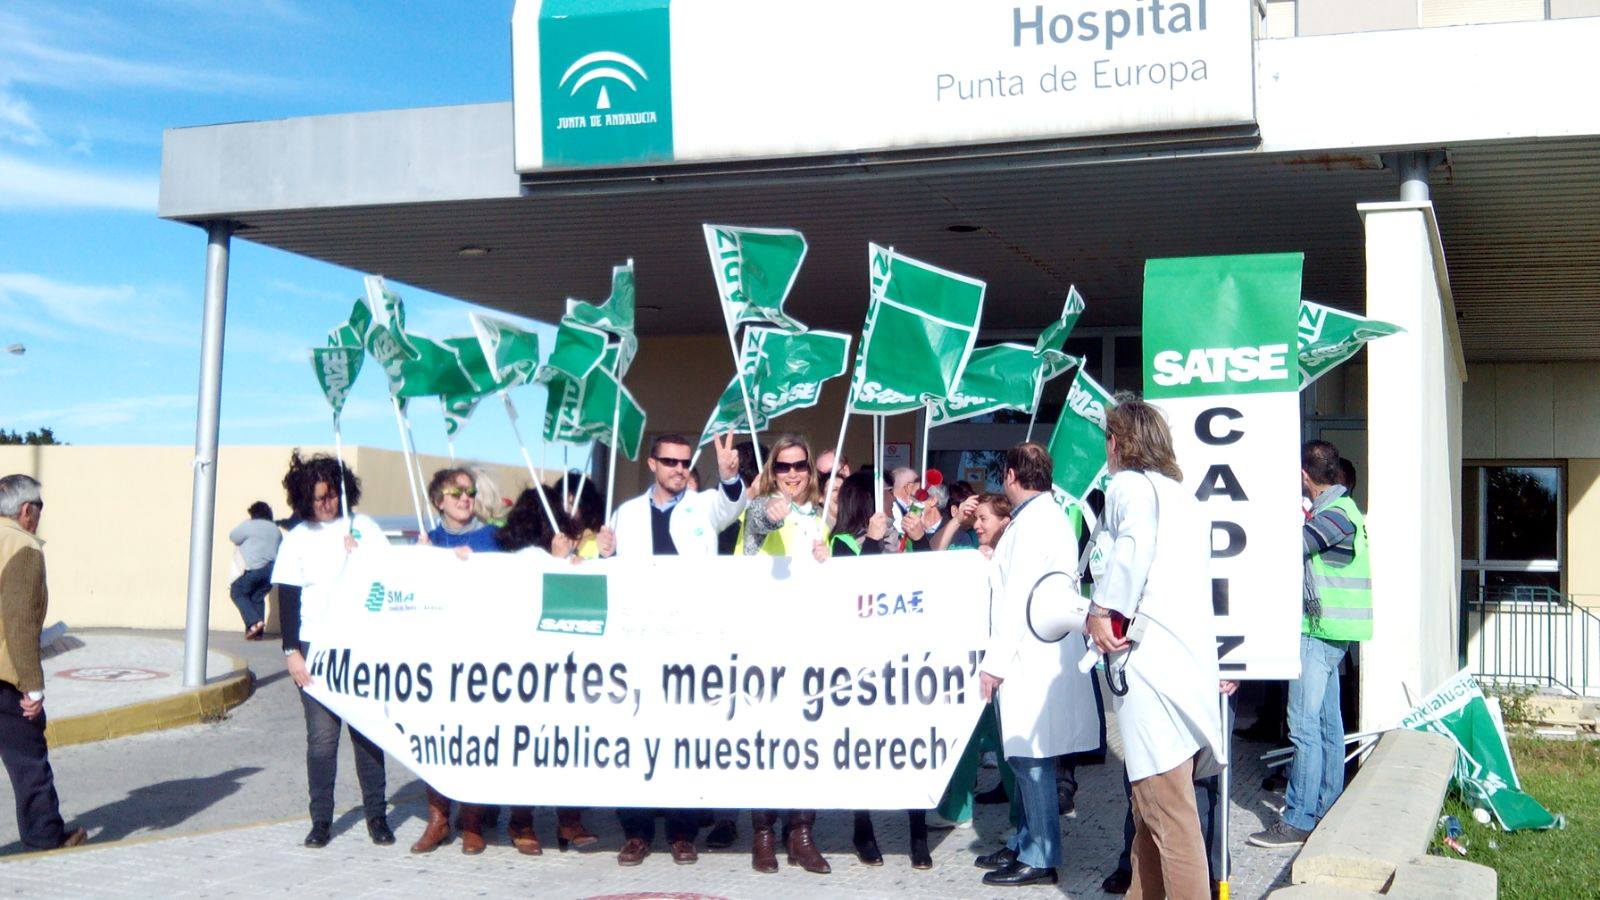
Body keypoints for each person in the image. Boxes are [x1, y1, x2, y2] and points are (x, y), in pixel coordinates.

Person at [1086, 397, 1226, 900]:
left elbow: (1131, 552)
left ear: (1118, 442)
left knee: (1169, 815)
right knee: (1150, 811)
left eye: (1107, 437)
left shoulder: (1127, 486)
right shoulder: (1181, 495)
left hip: (1151, 668)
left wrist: (1101, 610)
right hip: (1187, 665)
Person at [596, 432, 744, 866]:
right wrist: (605, 556)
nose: (680, 469)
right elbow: (613, 579)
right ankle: (637, 832)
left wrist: (729, 476)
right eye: (671, 462)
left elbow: (731, 505)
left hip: (690, 641)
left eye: (685, 462)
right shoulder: (625, 514)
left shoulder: (703, 504)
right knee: (636, 735)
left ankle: (681, 832)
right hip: (640, 642)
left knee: (684, 737)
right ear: (652, 465)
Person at [974, 444, 1099, 888]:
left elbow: (1014, 601)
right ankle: (1025, 841)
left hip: (1030, 655)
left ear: (1010, 475)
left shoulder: (1032, 525)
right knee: (1029, 757)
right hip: (1040, 653)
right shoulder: (1045, 517)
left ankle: (1042, 854)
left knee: (1032, 761)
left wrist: (995, 663)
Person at [1249, 441, 1371, 849]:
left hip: (1320, 630)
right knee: (1326, 724)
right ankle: (1328, 807)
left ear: (1305, 475)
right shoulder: (1342, 508)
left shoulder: (1334, 514)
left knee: (1303, 726)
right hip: (1331, 629)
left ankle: (1299, 818)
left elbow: (1289, 548)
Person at [270, 451, 393, 849]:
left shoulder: (364, 528)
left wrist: (363, 555)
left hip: (360, 644)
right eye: (320, 497)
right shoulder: (298, 539)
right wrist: (292, 651)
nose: (328, 503)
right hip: (314, 646)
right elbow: (288, 597)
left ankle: (377, 816)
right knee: (322, 740)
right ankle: (321, 820)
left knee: (367, 735)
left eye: (334, 494)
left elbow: (393, 577)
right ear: (305, 498)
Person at [826, 472, 934, 869]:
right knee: (865, 749)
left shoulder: (900, 539)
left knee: (912, 748)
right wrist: (871, 541)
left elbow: (930, 583)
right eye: (886, 492)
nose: (892, 498)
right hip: (861, 665)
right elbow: (853, 589)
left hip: (904, 662)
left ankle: (917, 834)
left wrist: (920, 539)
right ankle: (863, 829)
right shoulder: (842, 543)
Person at [734, 433, 830, 875]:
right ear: (772, 470)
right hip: (764, 642)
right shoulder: (761, 505)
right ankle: (763, 835)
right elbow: (760, 523)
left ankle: (802, 834)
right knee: (764, 740)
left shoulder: (818, 515)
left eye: (800, 466)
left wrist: (825, 555)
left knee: (806, 740)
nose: (792, 474)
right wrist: (770, 512)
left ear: (810, 470)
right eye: (784, 466)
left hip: (808, 641)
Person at [494, 486, 599, 853]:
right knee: (529, 746)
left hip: (567, 670)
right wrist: (557, 564)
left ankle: (569, 820)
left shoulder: (568, 556)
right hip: (531, 673)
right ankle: (521, 822)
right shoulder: (523, 559)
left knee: (568, 745)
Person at [0, 474, 86, 852]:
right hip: (5, 678)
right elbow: (19, 623)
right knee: (29, 761)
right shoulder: (23, 546)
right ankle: (44, 838)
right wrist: (32, 687)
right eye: (40, 507)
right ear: (26, 510)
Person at [930, 492, 1017, 831]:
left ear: (1004, 523)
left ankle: (1021, 818)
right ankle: (958, 809)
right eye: (976, 519)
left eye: (984, 520)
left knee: (1006, 739)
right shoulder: (970, 555)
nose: (978, 525)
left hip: (999, 661)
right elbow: (936, 553)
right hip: (971, 660)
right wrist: (956, 521)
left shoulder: (1012, 554)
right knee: (972, 734)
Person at [227, 501, 281, 640]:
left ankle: (255, 622)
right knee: (257, 597)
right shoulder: (276, 529)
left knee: (237, 592)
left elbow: (233, 536)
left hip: (254, 569)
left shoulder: (250, 525)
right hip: (271, 570)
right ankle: (256, 633)